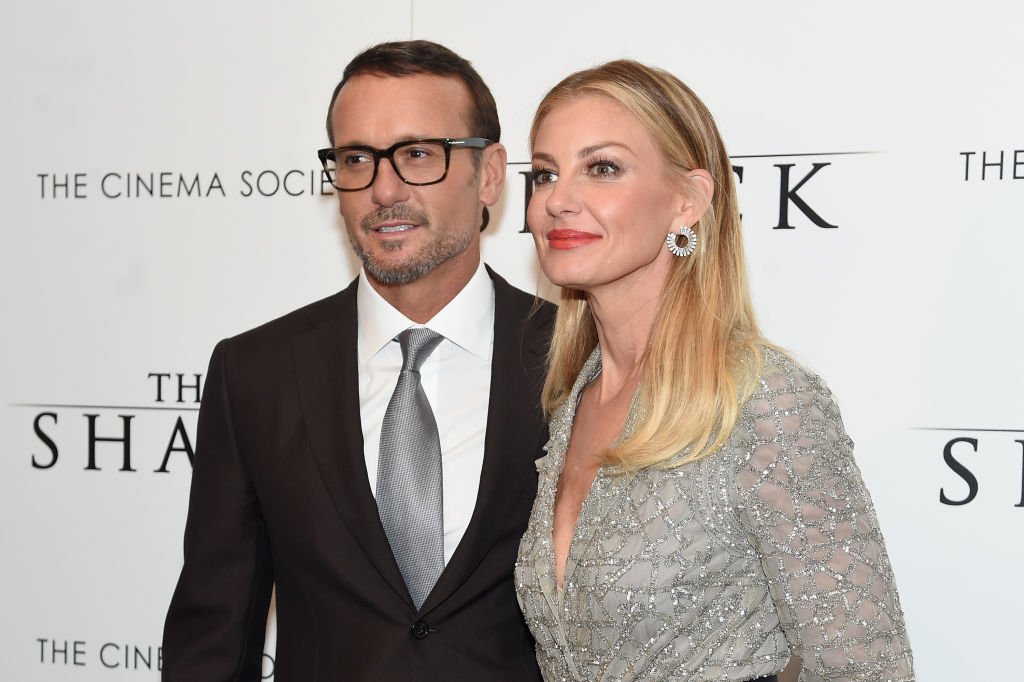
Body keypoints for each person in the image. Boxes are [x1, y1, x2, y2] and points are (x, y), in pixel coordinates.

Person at [163, 40, 552, 681]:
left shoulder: (578, 357)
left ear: (488, 174)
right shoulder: (254, 373)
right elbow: (214, 634)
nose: (384, 188)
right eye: (356, 159)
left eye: (419, 154)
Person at [514, 60, 915, 681]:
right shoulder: (575, 398)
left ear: (687, 201)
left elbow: (867, 667)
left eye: (602, 168)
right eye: (545, 174)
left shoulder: (763, 401)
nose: (558, 200)